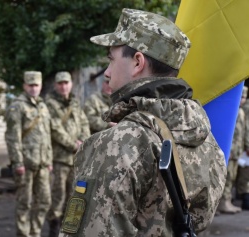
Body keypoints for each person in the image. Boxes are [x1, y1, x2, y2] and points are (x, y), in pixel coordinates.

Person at [59, 9, 227, 236]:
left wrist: (119, 142)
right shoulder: (207, 140)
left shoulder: (120, 144)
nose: (107, 72)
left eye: (111, 59)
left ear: (137, 62)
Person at [5, 71, 53, 237]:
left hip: (42, 164)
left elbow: (46, 135)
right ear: (25, 86)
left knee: (44, 201)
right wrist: (17, 162)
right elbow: (13, 137)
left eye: (36, 85)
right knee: (24, 203)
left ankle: (35, 232)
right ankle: (24, 234)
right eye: (30, 85)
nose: (34, 88)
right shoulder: (17, 106)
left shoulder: (42, 105)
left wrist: (49, 160)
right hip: (25, 164)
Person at [45, 71, 90, 237]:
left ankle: (69, 231)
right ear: (56, 85)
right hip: (59, 158)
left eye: (66, 83)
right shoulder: (50, 104)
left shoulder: (75, 103)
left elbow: (84, 122)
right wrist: (73, 144)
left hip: (76, 159)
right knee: (57, 197)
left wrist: (83, 141)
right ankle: (54, 231)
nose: (63, 86)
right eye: (60, 83)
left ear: (70, 84)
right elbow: (55, 129)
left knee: (75, 196)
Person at [217, 86, 247, 214]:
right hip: (230, 150)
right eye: (240, 97)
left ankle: (227, 201)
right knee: (226, 177)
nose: (242, 100)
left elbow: (243, 132)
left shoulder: (241, 112)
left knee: (232, 176)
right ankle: (222, 203)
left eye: (244, 97)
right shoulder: (230, 111)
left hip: (237, 150)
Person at [237, 86, 249, 210]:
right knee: (243, 175)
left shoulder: (242, 110)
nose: (242, 100)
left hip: (240, 146)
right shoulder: (245, 109)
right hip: (239, 147)